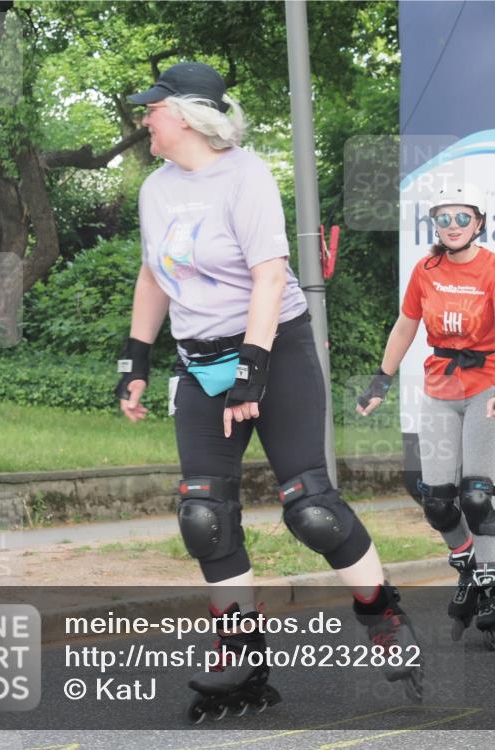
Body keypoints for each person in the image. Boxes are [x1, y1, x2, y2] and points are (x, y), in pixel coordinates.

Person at [115, 61, 422, 719]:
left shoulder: (246, 175)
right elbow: (153, 275)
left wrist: (252, 367)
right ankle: (241, 654)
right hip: (200, 363)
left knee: (310, 506)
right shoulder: (156, 189)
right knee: (204, 515)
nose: (144, 119)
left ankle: (383, 616)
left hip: (273, 349)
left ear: (188, 116)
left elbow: (268, 275)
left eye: (153, 109)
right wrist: (134, 359)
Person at [357, 182, 495, 650]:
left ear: (480, 222)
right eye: (443, 218)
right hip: (439, 387)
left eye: (461, 217)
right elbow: (406, 325)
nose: (452, 226)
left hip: (486, 387)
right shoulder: (425, 270)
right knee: (437, 501)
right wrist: (380, 383)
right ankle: (466, 565)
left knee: (476, 496)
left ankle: (492, 591)